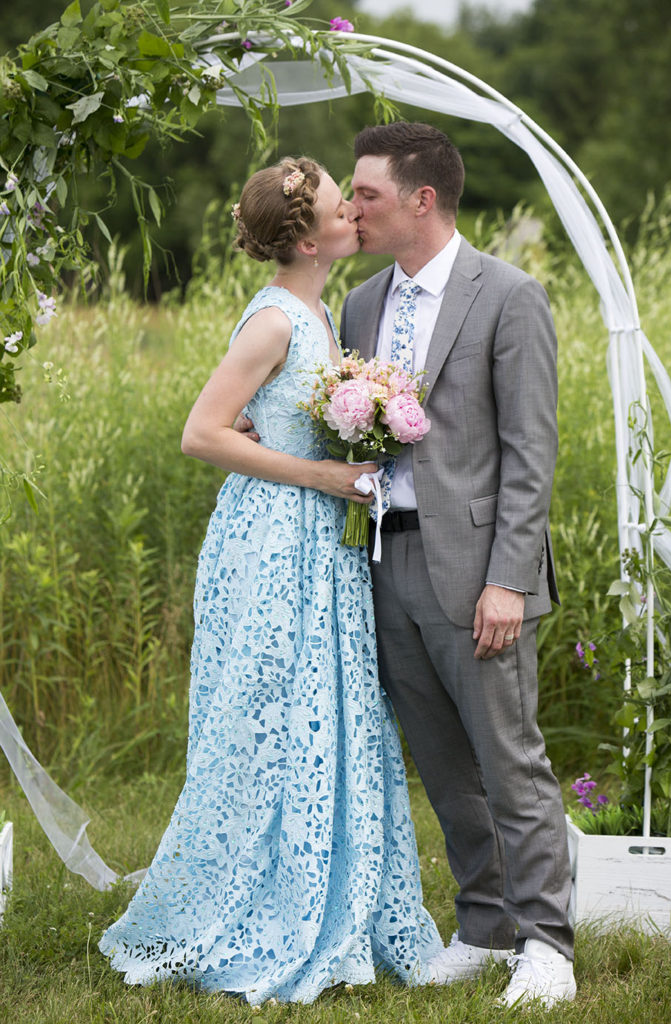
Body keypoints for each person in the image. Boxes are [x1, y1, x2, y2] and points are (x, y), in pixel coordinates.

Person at [98, 157, 443, 1005]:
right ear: (304, 236)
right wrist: (322, 474)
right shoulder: (275, 320)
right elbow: (202, 433)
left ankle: (329, 894)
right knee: (262, 719)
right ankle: (245, 903)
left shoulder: (322, 309)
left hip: (319, 546)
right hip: (269, 542)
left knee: (321, 714)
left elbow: (270, 414)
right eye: (339, 209)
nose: (354, 218)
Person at [339, 122, 576, 1009]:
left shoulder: (508, 296)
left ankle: (547, 943)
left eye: (366, 195)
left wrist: (509, 579)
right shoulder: (360, 304)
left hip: (480, 576)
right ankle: (483, 927)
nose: (350, 208)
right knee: (442, 767)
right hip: (383, 565)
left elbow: (529, 451)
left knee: (509, 765)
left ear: (420, 199)